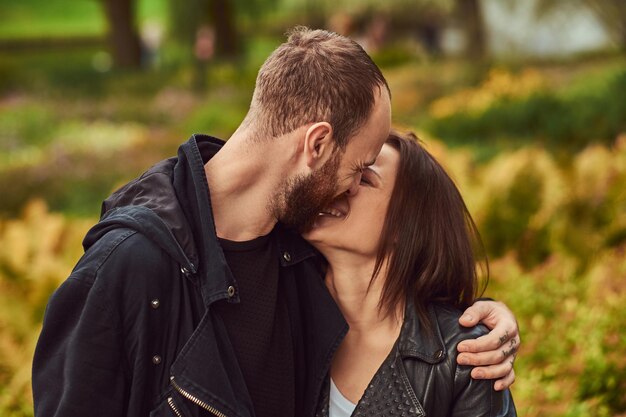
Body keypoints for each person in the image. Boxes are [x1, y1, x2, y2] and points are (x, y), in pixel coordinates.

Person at [32, 28, 519, 417]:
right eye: (359, 168)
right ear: (317, 145)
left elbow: (396, 314)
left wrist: (482, 324)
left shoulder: (299, 249)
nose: (351, 189)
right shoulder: (127, 267)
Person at [304, 131, 516, 416]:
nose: (339, 183)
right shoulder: (279, 314)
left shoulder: (466, 356)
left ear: (405, 226)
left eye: (364, 178)